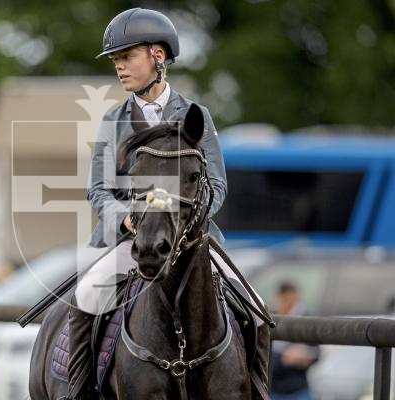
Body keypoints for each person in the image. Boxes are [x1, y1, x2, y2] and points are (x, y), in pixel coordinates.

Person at [63, 8, 231, 400]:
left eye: (127, 58)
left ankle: (255, 387)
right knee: (86, 294)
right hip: (132, 242)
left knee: (253, 306)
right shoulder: (112, 121)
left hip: (191, 243)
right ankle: (79, 390)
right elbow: (99, 192)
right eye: (116, 62)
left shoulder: (196, 116)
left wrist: (182, 223)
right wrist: (129, 219)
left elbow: (218, 186)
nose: (120, 68)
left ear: (157, 56)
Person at [270, 282, 319, 400]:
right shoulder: (270, 319)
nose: (291, 306)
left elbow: (316, 353)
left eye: (294, 302)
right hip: (274, 388)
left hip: (299, 387)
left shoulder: (306, 319)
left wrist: (307, 356)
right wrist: (285, 358)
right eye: (287, 301)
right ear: (279, 299)